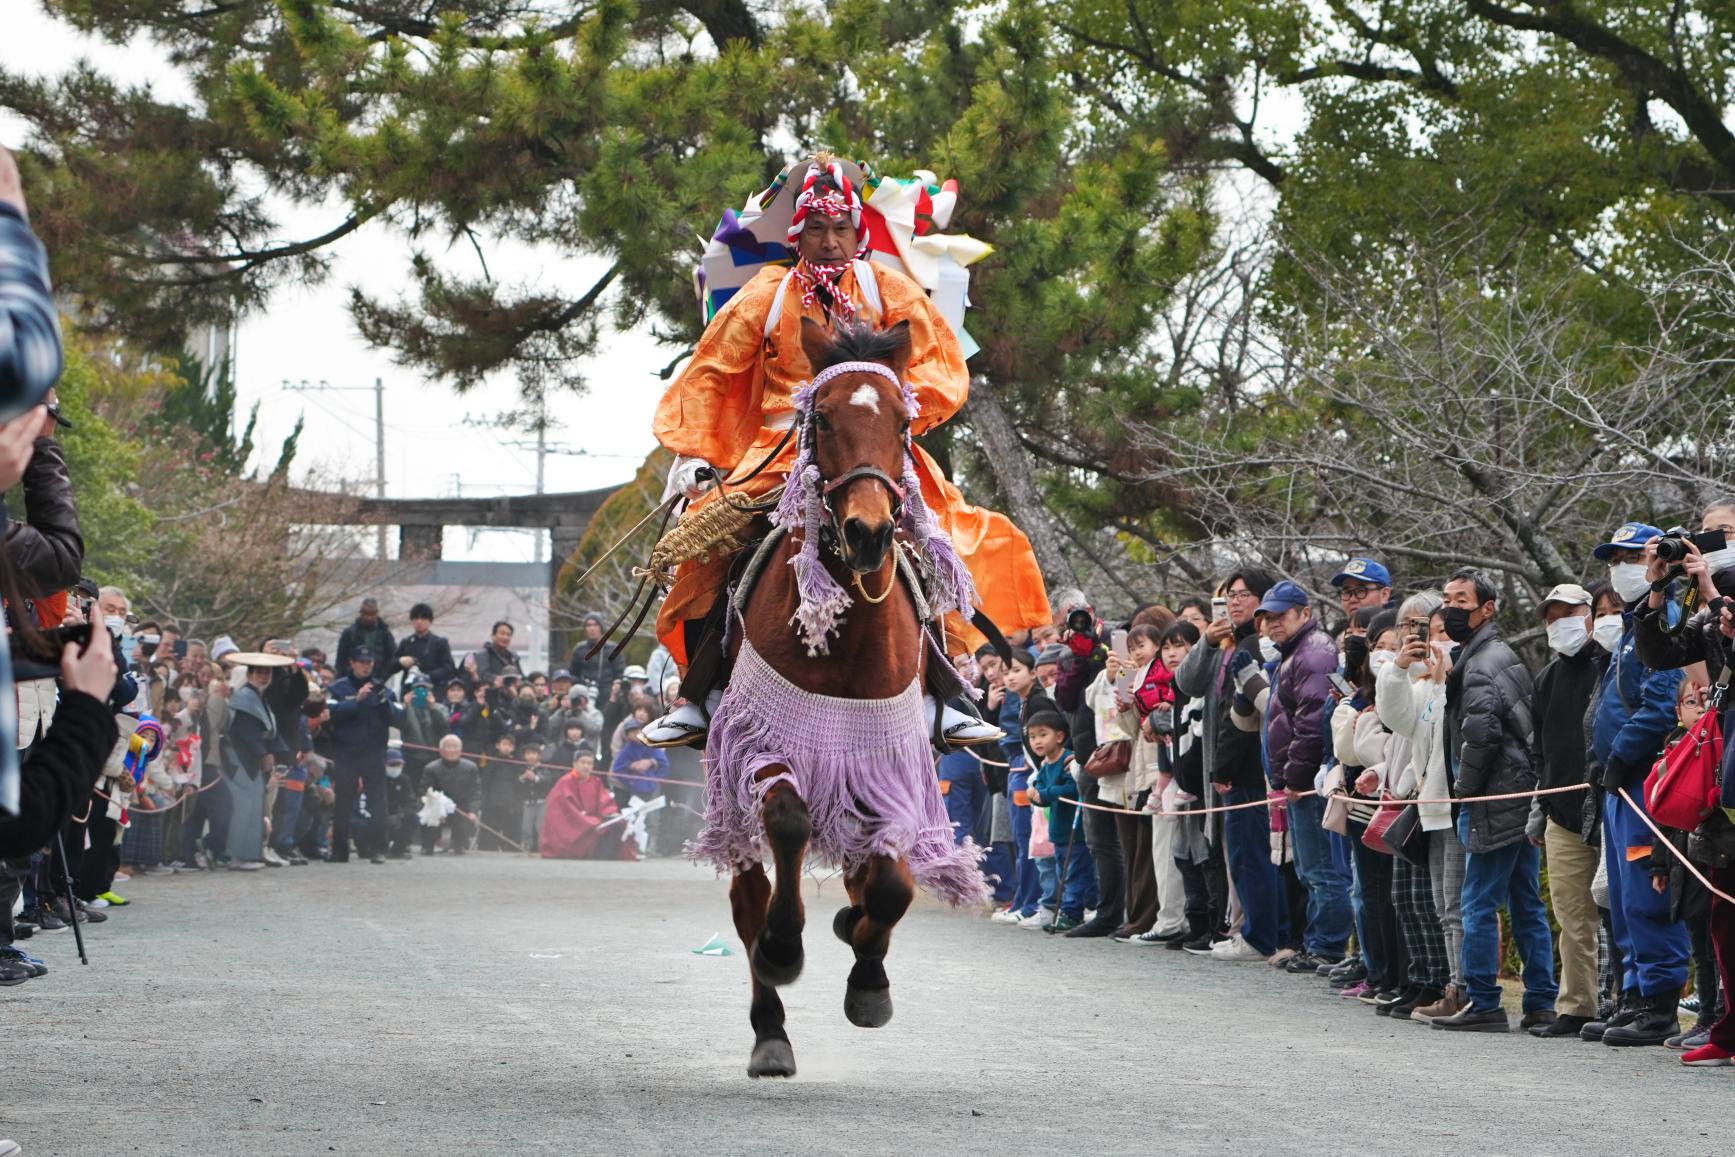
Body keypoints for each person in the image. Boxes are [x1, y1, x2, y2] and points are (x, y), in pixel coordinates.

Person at [643, 155, 1049, 749]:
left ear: (859, 233)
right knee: (707, 540)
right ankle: (699, 693)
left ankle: (943, 692)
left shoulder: (890, 288)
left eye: (841, 230)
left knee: (938, 538)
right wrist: (696, 450)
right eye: (816, 229)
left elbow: (942, 365)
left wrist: (891, 407)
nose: (830, 242)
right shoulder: (767, 293)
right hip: (780, 445)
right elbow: (710, 369)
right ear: (796, 234)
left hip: (874, 443)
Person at [1630, 498, 1735, 1064]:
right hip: (1725, 768)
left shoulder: (1721, 599)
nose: (1711, 544)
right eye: (1707, 533)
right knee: (1722, 912)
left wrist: (1715, 594)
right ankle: (1726, 1029)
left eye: (1726, 533)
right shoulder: (1702, 603)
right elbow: (1660, 655)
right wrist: (1658, 589)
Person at [1430, 568, 1555, 1033]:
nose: (1450, 609)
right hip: (1517, 793)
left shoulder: (1481, 664)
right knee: (1525, 900)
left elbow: (1478, 738)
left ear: (1487, 608)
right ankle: (1540, 1000)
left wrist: (1463, 794)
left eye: (1461, 600)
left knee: (1478, 901)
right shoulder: (1498, 655)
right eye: (1447, 599)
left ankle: (1484, 999)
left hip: (1492, 796)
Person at [1583, 521, 1691, 1045]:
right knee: (1623, 895)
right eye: (1613, 559)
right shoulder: (1631, 626)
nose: (1619, 567)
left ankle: (1659, 1001)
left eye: (1631, 556)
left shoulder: (1667, 618)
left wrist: (1622, 754)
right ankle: (1634, 993)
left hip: (1647, 777)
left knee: (1649, 889)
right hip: (1618, 783)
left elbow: (1661, 701)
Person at [1174, 569, 1281, 962]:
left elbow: (1246, 717)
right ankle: (1241, 928)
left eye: (1244, 594)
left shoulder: (1259, 646)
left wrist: (1225, 768)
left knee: (1251, 854)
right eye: (1229, 595)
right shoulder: (1224, 645)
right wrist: (1206, 640)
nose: (1235, 601)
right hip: (1221, 768)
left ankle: (1257, 935)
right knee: (1234, 853)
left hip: (1251, 768)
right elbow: (1185, 682)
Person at [1525, 582, 1604, 1037]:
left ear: (1591, 613)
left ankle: (1627, 1002)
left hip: (1612, 804)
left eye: (1568, 613)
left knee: (1620, 910)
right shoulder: (1546, 677)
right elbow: (1540, 750)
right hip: (1561, 811)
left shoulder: (1610, 664)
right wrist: (1542, 805)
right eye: (1551, 617)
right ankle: (1577, 1006)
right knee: (1572, 914)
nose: (1560, 623)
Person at [1261, 579, 1353, 972]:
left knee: (1323, 870)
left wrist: (1295, 778)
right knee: (1311, 869)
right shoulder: (1294, 653)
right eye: (1267, 617)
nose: (1273, 624)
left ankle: (1327, 946)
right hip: (1298, 779)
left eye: (1282, 615)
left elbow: (1312, 722)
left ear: (1304, 614)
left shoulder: (1313, 653)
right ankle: (1317, 942)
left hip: (1311, 780)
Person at [325, 645, 404, 864]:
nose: (365, 666)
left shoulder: (384, 690)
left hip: (374, 753)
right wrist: (355, 701)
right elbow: (330, 714)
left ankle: (379, 849)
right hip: (346, 753)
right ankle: (339, 851)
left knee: (378, 802)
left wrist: (383, 701)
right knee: (343, 802)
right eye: (361, 662)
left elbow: (399, 718)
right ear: (352, 663)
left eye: (369, 662)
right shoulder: (339, 687)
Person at [1024, 710, 1093, 931]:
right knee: (1063, 874)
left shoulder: (1067, 760)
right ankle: (1073, 908)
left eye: (1043, 734)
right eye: (1032, 737)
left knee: (1075, 873)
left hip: (1076, 831)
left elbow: (1073, 789)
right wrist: (1035, 793)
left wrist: (1045, 793)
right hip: (1058, 831)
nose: (1037, 741)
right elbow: (1043, 793)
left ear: (1060, 736)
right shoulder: (1045, 765)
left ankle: (1073, 912)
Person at [540, 752, 637, 860]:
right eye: (583, 763)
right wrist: (591, 821)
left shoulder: (596, 782)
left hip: (591, 820)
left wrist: (611, 813)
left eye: (589, 763)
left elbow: (604, 802)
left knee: (617, 823)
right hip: (574, 822)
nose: (586, 766)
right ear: (575, 764)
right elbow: (565, 810)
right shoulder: (565, 782)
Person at [421, 735, 480, 855]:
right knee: (428, 814)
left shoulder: (471, 768)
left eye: (455, 747)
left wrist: (473, 811)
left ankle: (459, 843)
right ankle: (428, 844)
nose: (452, 750)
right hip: (437, 806)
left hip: (460, 808)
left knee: (468, 818)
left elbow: (475, 793)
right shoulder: (431, 768)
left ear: (461, 750)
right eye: (448, 747)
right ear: (441, 750)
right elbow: (424, 793)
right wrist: (439, 810)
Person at [395, 603, 455, 687]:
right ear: (412, 621)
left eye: (423, 618)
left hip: (434, 688)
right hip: (409, 689)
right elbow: (392, 664)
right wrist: (400, 661)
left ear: (430, 621)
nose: (419, 621)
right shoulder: (406, 642)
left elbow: (448, 668)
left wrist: (427, 676)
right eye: (416, 618)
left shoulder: (440, 643)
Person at [335, 598, 395, 673]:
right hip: (353, 677)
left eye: (372, 614)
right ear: (361, 613)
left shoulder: (385, 634)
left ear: (376, 613)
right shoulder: (350, 633)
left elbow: (391, 657)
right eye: (366, 613)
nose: (369, 617)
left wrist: (383, 675)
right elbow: (341, 659)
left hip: (377, 676)